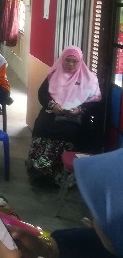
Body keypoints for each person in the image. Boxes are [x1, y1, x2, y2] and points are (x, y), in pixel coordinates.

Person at [0, 148, 123, 258]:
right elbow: (96, 245)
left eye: (100, 210)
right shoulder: (111, 243)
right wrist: (47, 248)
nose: (91, 216)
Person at [27, 46, 101, 185]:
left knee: (69, 131)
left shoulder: (89, 79)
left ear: (80, 62)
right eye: (67, 60)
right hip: (54, 112)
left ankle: (61, 174)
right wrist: (52, 105)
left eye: (74, 61)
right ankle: (41, 171)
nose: (71, 64)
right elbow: (42, 94)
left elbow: (95, 101)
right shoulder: (53, 75)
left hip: (76, 117)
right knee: (42, 126)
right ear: (62, 60)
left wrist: (80, 109)